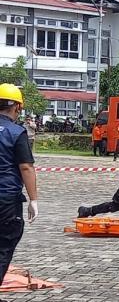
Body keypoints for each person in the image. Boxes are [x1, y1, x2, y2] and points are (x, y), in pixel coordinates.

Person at [0, 84, 39, 283]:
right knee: (5, 245)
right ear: (17, 107)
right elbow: (26, 167)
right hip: (6, 198)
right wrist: (33, 200)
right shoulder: (16, 132)